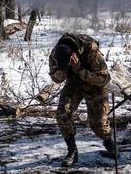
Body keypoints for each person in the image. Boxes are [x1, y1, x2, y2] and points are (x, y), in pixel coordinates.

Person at [49, 33, 118, 168]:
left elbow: (103, 79)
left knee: (98, 124)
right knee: (63, 113)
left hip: (95, 86)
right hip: (74, 83)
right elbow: (55, 78)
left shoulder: (91, 51)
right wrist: (63, 71)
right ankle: (72, 150)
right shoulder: (56, 54)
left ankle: (108, 141)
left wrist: (79, 69)